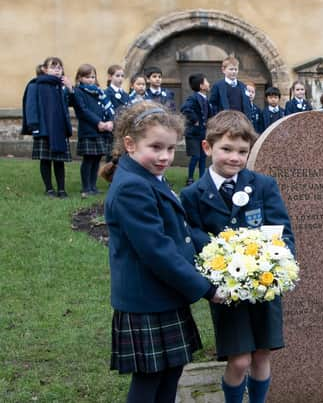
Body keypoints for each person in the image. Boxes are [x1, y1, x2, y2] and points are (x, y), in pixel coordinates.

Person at [100, 101, 216, 403]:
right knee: (150, 379)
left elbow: (179, 231)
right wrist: (206, 289)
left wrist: (220, 248)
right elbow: (157, 251)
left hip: (164, 295)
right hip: (146, 301)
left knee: (172, 371)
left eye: (170, 148)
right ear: (129, 144)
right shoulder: (131, 187)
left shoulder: (148, 178)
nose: (165, 156)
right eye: (156, 147)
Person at [180, 110, 295, 403]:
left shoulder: (263, 185)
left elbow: (282, 231)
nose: (235, 157)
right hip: (227, 292)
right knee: (240, 360)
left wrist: (279, 264)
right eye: (227, 149)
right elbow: (191, 237)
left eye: (242, 151)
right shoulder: (193, 194)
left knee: (261, 355)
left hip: (264, 286)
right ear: (208, 148)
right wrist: (216, 264)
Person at [21, 57, 74, 198]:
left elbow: (72, 103)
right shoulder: (35, 85)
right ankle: (49, 189)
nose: (57, 69)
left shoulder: (61, 87)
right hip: (43, 129)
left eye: (59, 67)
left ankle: (61, 189)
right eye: (53, 67)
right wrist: (34, 126)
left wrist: (70, 89)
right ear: (44, 69)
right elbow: (31, 107)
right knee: (45, 160)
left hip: (59, 130)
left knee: (59, 160)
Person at [71, 63, 115, 197]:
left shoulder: (99, 92)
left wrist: (110, 121)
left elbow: (106, 108)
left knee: (97, 159)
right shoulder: (78, 92)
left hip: (102, 131)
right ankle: (86, 187)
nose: (91, 80)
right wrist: (98, 122)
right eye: (88, 77)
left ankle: (93, 186)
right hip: (89, 130)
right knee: (88, 159)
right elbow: (83, 111)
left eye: (93, 77)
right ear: (79, 78)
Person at [181, 73, 213, 186]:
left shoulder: (206, 99)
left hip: (203, 133)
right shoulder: (193, 97)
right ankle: (190, 178)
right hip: (193, 133)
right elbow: (185, 108)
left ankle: (202, 178)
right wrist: (195, 120)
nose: (209, 83)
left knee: (203, 157)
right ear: (201, 86)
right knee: (196, 156)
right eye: (206, 81)